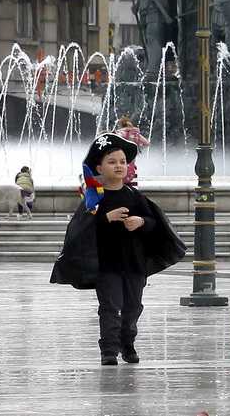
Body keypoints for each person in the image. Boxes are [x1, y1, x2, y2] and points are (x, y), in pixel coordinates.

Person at [51, 133, 185, 366]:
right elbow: (80, 230)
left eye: (123, 161)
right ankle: (109, 349)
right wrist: (106, 218)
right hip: (106, 265)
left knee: (133, 307)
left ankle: (128, 344)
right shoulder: (94, 200)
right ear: (99, 168)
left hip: (134, 264)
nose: (119, 166)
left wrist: (140, 222)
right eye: (112, 162)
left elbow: (153, 222)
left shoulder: (134, 195)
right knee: (110, 307)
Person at [115, 117, 150, 185]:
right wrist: (138, 147)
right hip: (132, 159)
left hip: (123, 158)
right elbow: (147, 143)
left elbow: (116, 140)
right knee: (133, 171)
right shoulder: (136, 133)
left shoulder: (122, 133)